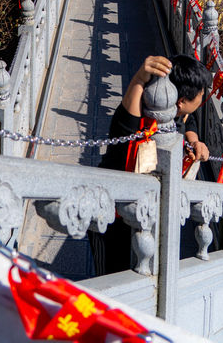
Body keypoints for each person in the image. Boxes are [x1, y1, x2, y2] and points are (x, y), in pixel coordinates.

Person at [90, 54, 211, 275]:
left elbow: (189, 120)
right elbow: (125, 119)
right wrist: (139, 78)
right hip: (111, 213)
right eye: (201, 95)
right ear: (181, 101)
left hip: (145, 212)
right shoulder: (139, 116)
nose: (203, 98)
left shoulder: (176, 112)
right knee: (111, 275)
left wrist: (194, 141)